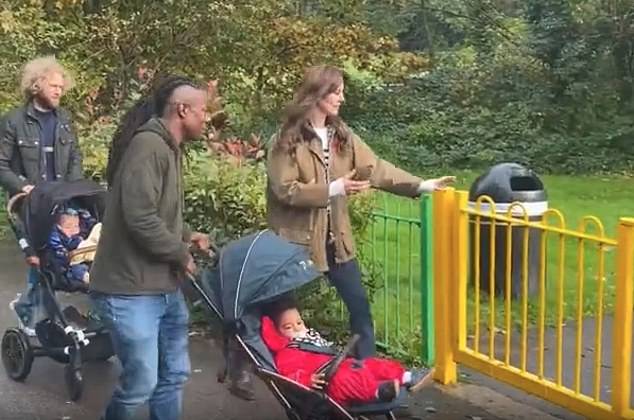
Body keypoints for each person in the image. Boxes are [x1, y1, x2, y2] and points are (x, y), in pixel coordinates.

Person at [266, 65, 455, 360]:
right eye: (336, 92)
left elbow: (375, 168)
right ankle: (266, 371)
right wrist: (333, 188)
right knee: (279, 315)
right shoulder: (286, 140)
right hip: (296, 245)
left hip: (337, 243)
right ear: (317, 93)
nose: (342, 99)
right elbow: (284, 189)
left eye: (342, 92)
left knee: (360, 312)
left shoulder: (342, 135)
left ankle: (365, 377)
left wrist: (421, 185)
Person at [89, 75, 211, 420]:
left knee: (173, 376)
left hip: (163, 288)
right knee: (141, 384)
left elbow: (157, 212)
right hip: (129, 290)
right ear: (182, 110)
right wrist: (180, 253)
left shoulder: (170, 148)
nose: (207, 117)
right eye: (203, 110)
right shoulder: (149, 147)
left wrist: (187, 235)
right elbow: (139, 218)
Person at [0, 56, 83, 335]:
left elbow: (74, 157)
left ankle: (29, 309)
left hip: (60, 201)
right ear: (36, 86)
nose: (59, 91)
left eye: (62, 86)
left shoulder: (65, 120)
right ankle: (47, 319)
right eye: (53, 86)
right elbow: (1, 164)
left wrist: (72, 190)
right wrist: (23, 187)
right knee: (40, 257)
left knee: (55, 258)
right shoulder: (13, 121)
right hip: (30, 204)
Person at [261, 298, 434, 405]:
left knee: (371, 365)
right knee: (346, 381)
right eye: (288, 327)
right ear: (278, 333)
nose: (297, 329)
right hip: (327, 383)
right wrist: (308, 379)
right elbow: (287, 376)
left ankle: (408, 378)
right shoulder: (287, 353)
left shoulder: (310, 338)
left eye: (299, 323)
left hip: (342, 364)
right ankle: (378, 391)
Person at [47, 205, 100, 288]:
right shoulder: (56, 237)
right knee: (77, 269)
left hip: (89, 258)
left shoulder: (80, 235)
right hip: (69, 266)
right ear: (59, 227)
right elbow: (59, 252)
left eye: (76, 226)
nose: (73, 230)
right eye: (68, 227)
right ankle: (89, 279)